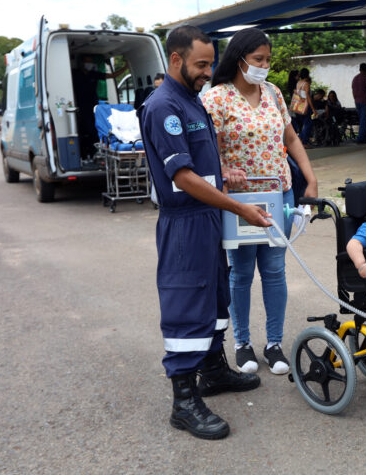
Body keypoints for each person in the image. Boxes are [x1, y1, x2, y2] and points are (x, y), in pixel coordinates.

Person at [138, 25, 269, 441]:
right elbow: (181, 175)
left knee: (215, 297)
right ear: (176, 59)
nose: (208, 72)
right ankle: (183, 401)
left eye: (211, 64)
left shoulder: (191, 100)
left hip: (207, 216)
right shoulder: (163, 106)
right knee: (187, 303)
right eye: (201, 65)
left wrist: (222, 172)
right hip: (185, 223)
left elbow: (198, 165)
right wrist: (238, 208)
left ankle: (212, 370)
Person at [202, 27, 319, 377]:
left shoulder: (273, 93)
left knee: (274, 270)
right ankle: (242, 343)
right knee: (240, 273)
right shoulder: (217, 98)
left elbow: (291, 137)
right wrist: (224, 170)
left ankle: (274, 343)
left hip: (278, 192)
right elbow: (206, 150)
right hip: (240, 201)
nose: (264, 66)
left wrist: (310, 178)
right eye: (259, 59)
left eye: (268, 60)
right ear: (239, 59)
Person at [72, 54, 128, 158]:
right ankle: (84, 154)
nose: (89, 64)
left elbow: (113, 75)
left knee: (94, 130)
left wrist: (126, 67)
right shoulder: (75, 74)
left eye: (91, 62)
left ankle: (94, 152)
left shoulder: (94, 74)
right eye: (87, 62)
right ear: (82, 63)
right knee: (84, 130)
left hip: (94, 107)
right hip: (81, 107)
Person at [351, 62, 366, 144]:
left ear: (359, 69)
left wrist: (356, 99)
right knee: (364, 120)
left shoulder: (355, 78)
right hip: (365, 101)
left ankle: (364, 137)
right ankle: (360, 138)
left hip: (357, 101)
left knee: (362, 119)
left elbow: (353, 92)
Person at [293, 68, 314, 147]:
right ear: (307, 75)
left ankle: (301, 139)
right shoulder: (306, 84)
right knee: (308, 124)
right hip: (306, 106)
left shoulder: (298, 83)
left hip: (299, 106)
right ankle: (304, 142)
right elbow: (307, 96)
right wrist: (313, 108)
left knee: (304, 124)